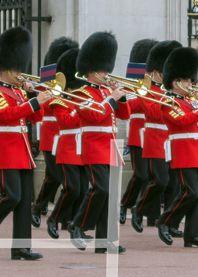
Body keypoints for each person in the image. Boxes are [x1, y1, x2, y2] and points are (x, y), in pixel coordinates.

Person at [0, 26, 52, 260]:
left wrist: (33, 95)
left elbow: (36, 118)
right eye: (18, 69)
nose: (21, 73)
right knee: (12, 196)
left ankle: (21, 247)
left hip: (23, 148)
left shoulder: (19, 94)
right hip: (6, 148)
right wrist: (33, 101)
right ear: (6, 68)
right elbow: (6, 116)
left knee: (24, 201)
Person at [67, 31, 131, 254]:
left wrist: (120, 97)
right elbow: (94, 116)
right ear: (91, 70)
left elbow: (125, 115)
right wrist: (112, 98)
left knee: (111, 195)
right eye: (104, 69)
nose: (107, 72)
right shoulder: (80, 94)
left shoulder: (107, 91)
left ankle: (106, 241)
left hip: (111, 145)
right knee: (100, 189)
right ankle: (78, 224)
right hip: (93, 144)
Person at [157, 46, 198, 247]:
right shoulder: (168, 102)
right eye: (186, 80)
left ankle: (193, 235)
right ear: (176, 82)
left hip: (197, 150)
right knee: (190, 192)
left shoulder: (192, 101)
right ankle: (165, 221)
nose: (190, 83)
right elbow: (183, 121)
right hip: (183, 150)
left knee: (197, 196)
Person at [133, 40, 182, 235]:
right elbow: (154, 114)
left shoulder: (175, 90)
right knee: (160, 181)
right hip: (155, 138)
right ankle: (139, 209)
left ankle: (169, 223)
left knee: (174, 184)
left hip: (173, 139)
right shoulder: (147, 89)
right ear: (155, 71)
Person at [31, 37, 78, 230]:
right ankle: (38, 207)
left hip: (68, 135)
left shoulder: (70, 83)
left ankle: (67, 217)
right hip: (51, 134)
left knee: (69, 181)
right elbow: (46, 106)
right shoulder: (46, 83)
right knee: (55, 176)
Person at [47, 47, 89, 239]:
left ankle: (74, 225)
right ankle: (54, 218)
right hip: (68, 148)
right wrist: (80, 107)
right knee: (71, 188)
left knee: (81, 191)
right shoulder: (59, 101)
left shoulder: (84, 97)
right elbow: (68, 122)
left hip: (83, 148)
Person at [120, 38, 157, 229]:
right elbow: (130, 107)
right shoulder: (133, 82)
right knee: (141, 175)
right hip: (138, 132)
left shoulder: (158, 83)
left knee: (155, 177)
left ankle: (151, 214)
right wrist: (145, 96)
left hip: (156, 134)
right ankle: (125, 204)